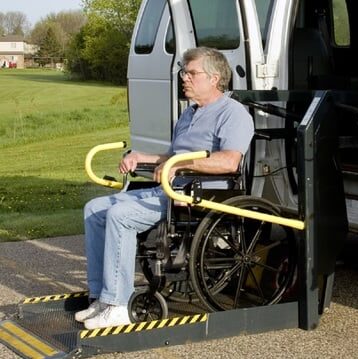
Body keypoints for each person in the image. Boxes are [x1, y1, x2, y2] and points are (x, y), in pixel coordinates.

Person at [76, 47, 254, 330]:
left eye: (191, 73)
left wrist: (177, 167)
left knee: (120, 215)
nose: (184, 78)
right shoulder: (190, 113)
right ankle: (101, 297)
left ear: (214, 78)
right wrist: (141, 157)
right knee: (94, 209)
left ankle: (118, 305)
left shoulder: (233, 114)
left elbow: (229, 161)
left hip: (199, 193)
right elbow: (172, 155)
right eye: (184, 72)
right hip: (170, 189)